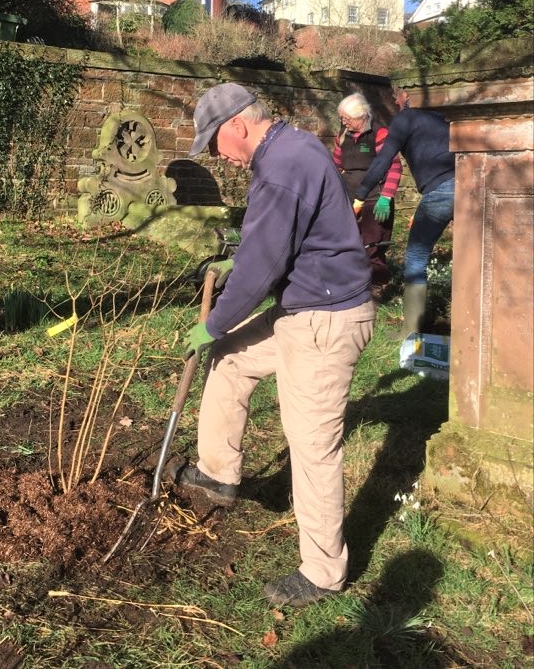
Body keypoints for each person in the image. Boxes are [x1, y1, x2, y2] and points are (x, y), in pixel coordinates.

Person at [176, 82, 376, 608]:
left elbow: (263, 267)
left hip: (324, 323)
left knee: (311, 446)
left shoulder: (281, 167)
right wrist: (234, 265)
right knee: (231, 360)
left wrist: (212, 322)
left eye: (216, 143)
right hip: (303, 308)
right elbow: (275, 239)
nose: (219, 157)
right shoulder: (292, 146)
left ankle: (323, 571)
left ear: (238, 125)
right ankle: (218, 471)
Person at [353, 88, 455, 336]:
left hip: (440, 191)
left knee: (416, 258)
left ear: (405, 95)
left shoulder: (405, 118)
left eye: (396, 96)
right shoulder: (442, 118)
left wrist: (360, 195)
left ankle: (412, 331)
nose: (394, 101)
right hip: (470, 185)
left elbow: (383, 160)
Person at [333, 92, 402, 288]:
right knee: (348, 245)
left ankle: (377, 288)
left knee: (372, 248)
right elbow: (336, 166)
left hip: (375, 199)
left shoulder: (379, 134)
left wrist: (386, 197)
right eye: (342, 118)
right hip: (349, 199)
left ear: (362, 115)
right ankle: (351, 287)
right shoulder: (342, 136)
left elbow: (394, 166)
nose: (343, 122)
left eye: (347, 118)